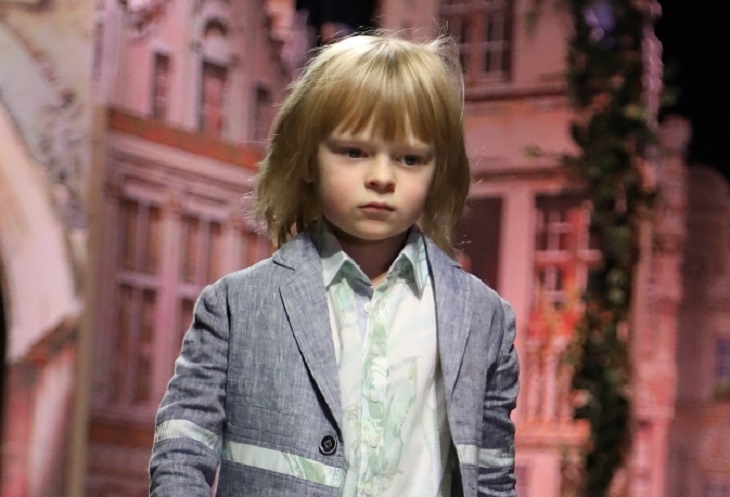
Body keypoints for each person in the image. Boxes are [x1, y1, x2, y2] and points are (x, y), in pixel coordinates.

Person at [149, 33, 519, 497]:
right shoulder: (236, 306)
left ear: (437, 170)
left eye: (410, 158)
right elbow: (181, 453)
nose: (381, 177)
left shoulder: (484, 319)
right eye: (354, 152)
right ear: (308, 159)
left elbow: (492, 479)